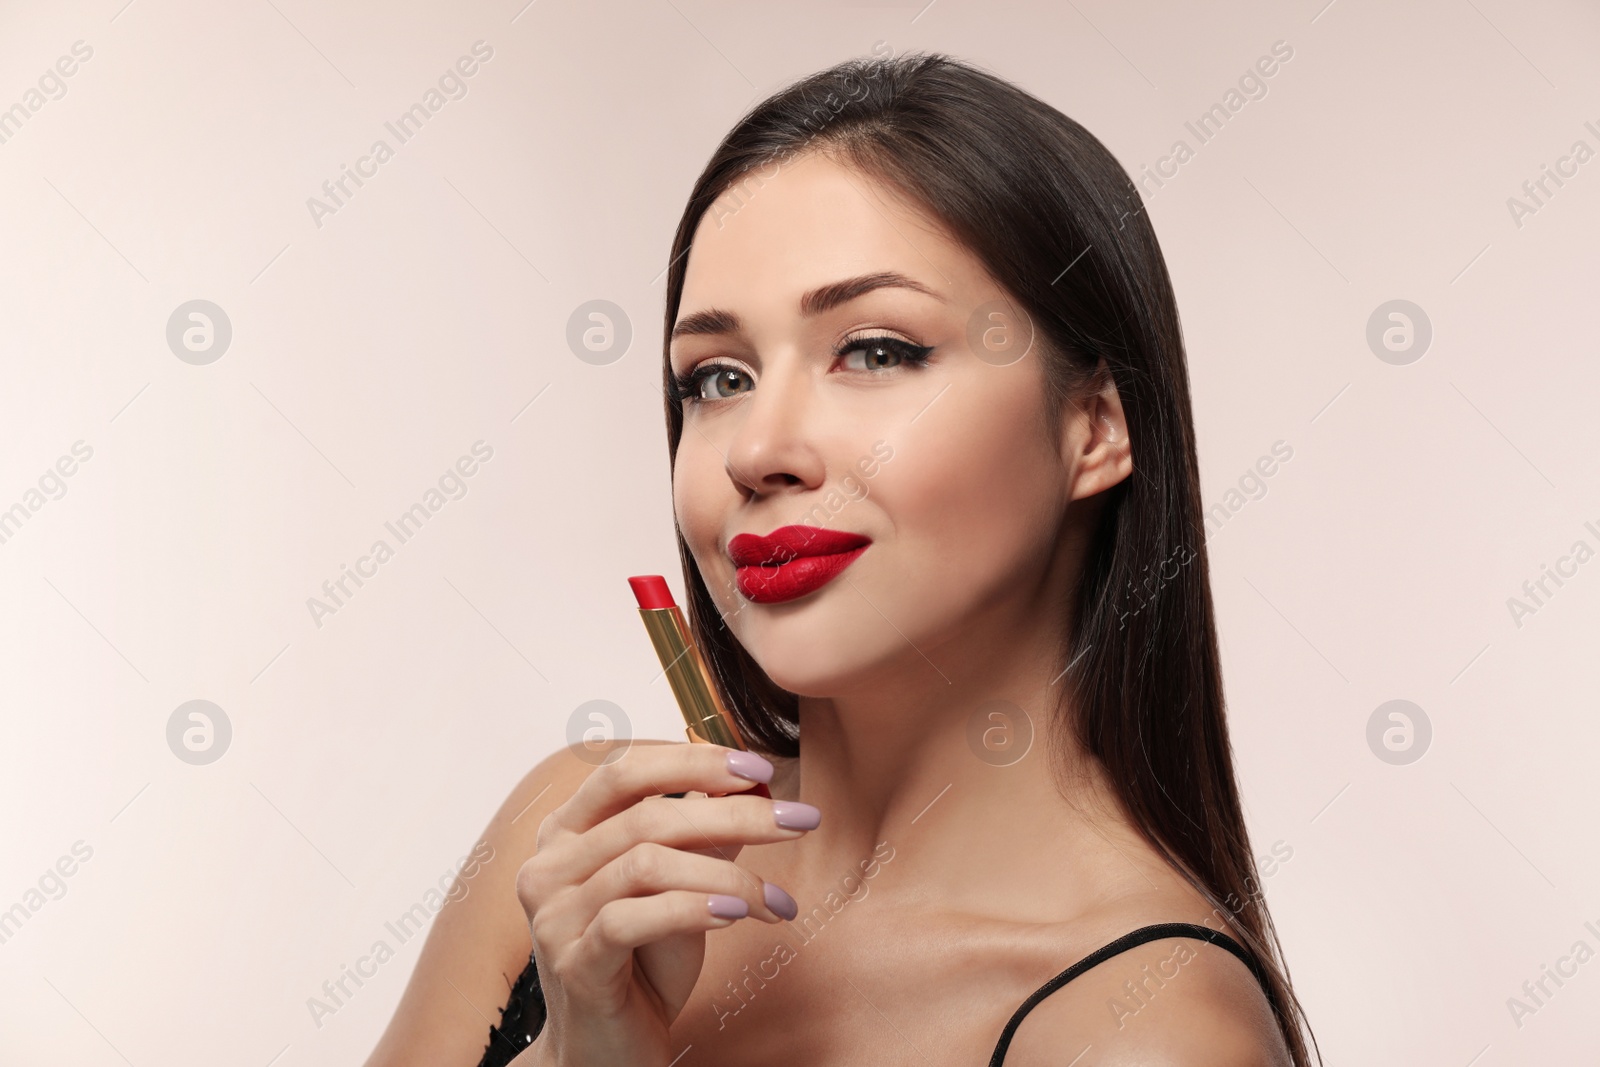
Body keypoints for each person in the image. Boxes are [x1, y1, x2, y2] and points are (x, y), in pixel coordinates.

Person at [364, 50, 1320, 1067]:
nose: (759, 449)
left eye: (875, 350)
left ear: (1092, 428)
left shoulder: (1145, 1026)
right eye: (716, 376)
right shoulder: (579, 848)